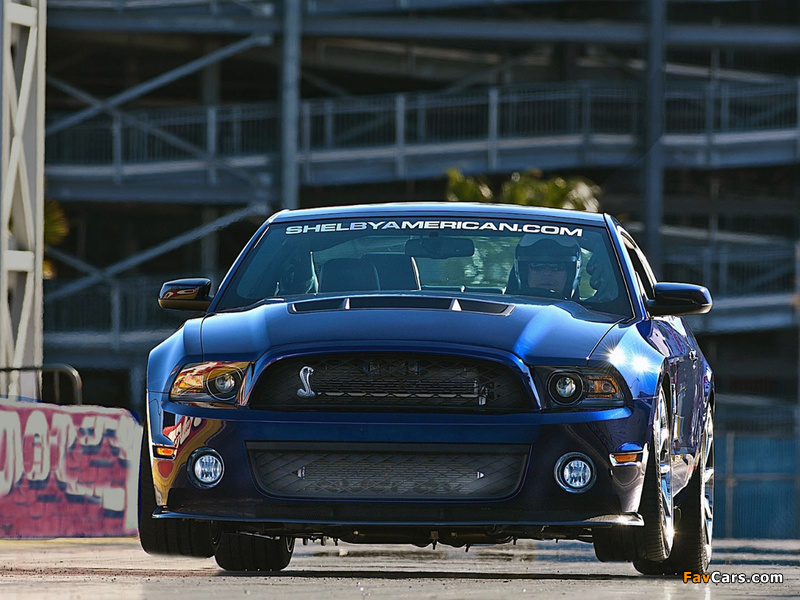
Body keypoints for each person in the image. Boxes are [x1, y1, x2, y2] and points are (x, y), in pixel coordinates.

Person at [512, 236, 582, 300]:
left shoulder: (587, 312)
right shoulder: (504, 307)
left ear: (570, 274)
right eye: (537, 266)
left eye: (556, 267)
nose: (547, 273)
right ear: (524, 272)